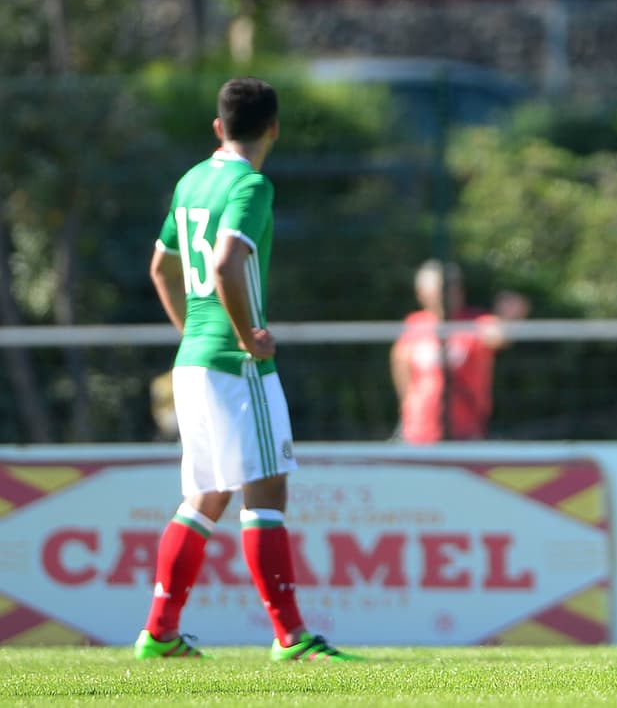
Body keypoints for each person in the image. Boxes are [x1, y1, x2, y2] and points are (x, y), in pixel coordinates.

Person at [137, 77, 357, 662]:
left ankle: (158, 634)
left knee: (205, 495)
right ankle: (291, 638)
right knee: (266, 490)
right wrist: (244, 336)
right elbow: (226, 264)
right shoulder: (251, 184)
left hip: (192, 362)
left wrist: (195, 334)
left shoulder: (191, 180)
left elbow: (161, 267)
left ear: (218, 127)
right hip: (236, 365)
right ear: (274, 128)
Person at [390, 260, 529, 443]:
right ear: (422, 293)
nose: (451, 293)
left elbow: (499, 336)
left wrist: (509, 318)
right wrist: (407, 406)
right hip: (418, 434)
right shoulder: (414, 324)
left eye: (455, 287)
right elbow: (401, 366)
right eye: (444, 288)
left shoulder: (475, 322)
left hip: (466, 433)